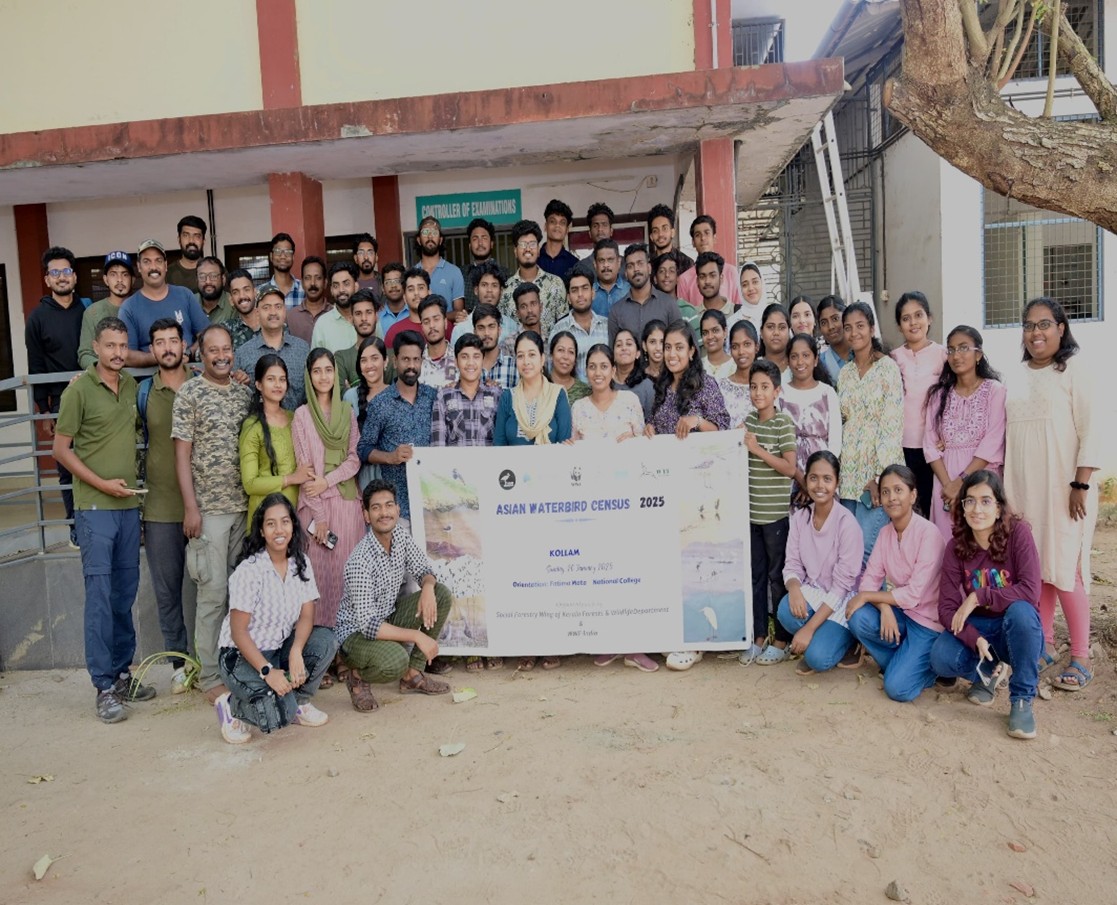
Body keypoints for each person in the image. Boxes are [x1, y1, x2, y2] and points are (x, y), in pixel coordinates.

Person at [53, 316, 154, 723]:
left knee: (123, 595)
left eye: (122, 346)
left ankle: (122, 674)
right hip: (94, 509)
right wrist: (102, 484)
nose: (117, 353)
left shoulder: (129, 385)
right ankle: (103, 686)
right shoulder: (78, 391)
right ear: (95, 348)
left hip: (128, 509)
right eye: (110, 345)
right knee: (99, 598)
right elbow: (61, 450)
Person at [1003, 297, 1098, 692]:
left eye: (1044, 324)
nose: (1035, 332)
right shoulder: (1017, 374)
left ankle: (1081, 656)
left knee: (1064, 569)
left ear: (1061, 328)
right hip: (1025, 489)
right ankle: (1044, 644)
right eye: (1029, 325)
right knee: (1036, 568)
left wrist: (1080, 483)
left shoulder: (1074, 369)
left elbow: (1092, 428)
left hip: (1064, 489)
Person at [213, 493, 338, 744]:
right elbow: (238, 632)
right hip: (241, 657)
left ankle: (298, 702)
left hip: (279, 649)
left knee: (326, 640)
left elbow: (307, 614)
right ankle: (231, 706)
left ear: (293, 525)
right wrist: (267, 671)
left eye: (285, 522)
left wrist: (296, 652)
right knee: (277, 716)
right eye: (271, 524)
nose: (279, 530)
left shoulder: (300, 562)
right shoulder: (250, 571)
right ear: (262, 530)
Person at [172, 323, 254, 702]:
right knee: (212, 594)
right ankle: (208, 676)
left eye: (226, 349)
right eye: (213, 350)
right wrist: (191, 507)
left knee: (240, 594)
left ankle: (234, 665)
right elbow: (182, 454)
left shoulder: (243, 392)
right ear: (200, 355)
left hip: (244, 508)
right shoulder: (189, 393)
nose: (221, 356)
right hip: (209, 512)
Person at [930, 471, 1044, 739]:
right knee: (940, 657)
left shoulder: (1018, 534)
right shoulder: (956, 547)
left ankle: (1022, 698)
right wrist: (975, 638)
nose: (976, 509)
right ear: (962, 507)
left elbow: (1030, 591)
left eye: (985, 501)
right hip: (981, 628)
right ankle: (989, 672)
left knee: (1022, 611)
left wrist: (978, 596)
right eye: (969, 501)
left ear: (999, 507)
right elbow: (947, 609)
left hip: (1015, 628)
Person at [335, 480, 454, 711]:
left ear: (397, 510)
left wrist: (427, 587)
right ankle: (357, 678)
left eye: (389, 505)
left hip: (387, 618)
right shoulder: (360, 560)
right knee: (395, 660)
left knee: (440, 594)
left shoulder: (399, 535)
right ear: (366, 515)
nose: (384, 513)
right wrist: (417, 636)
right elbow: (369, 625)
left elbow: (424, 569)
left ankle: (413, 674)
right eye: (376, 507)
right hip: (356, 636)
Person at [573, 344, 656, 672]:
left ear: (612, 370)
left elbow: (644, 445)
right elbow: (573, 455)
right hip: (593, 505)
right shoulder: (579, 408)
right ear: (586, 371)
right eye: (592, 366)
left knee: (631, 573)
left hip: (629, 501)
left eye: (603, 366)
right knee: (601, 574)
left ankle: (636, 646)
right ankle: (608, 641)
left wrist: (641, 437)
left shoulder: (630, 401)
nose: (597, 372)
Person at [846, 465, 946, 702]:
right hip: (902, 614)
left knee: (897, 689)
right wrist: (884, 607)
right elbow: (868, 582)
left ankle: (925, 670)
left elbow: (912, 595)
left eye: (898, 490)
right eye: (886, 492)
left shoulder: (928, 534)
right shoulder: (885, 533)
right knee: (856, 616)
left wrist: (868, 596)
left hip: (927, 623)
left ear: (913, 495)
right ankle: (903, 662)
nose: (892, 498)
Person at [139, 318, 194, 694]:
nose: (167, 348)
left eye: (173, 340)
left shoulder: (202, 384)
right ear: (152, 350)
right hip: (159, 507)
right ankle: (179, 663)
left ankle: (212, 660)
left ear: (183, 345)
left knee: (213, 588)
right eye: (159, 342)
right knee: (167, 591)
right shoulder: (142, 391)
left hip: (204, 505)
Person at [292, 348, 364, 636]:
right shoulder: (302, 416)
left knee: (348, 577)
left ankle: (349, 646)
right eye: (317, 371)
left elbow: (354, 459)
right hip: (315, 509)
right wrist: (320, 518)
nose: (323, 376)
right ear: (309, 376)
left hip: (346, 505)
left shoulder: (346, 412)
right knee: (319, 579)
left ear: (336, 373)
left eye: (328, 370)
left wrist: (328, 480)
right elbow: (305, 471)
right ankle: (321, 651)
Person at [775, 451, 864, 674]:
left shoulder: (847, 524)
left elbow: (842, 587)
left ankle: (850, 640)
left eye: (827, 479)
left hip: (842, 599)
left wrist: (808, 629)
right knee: (785, 610)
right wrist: (794, 589)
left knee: (817, 659)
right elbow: (792, 563)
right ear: (806, 480)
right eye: (813, 478)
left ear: (837, 483)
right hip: (816, 591)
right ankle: (823, 637)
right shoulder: (800, 518)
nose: (820, 485)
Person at [923, 325, 1006, 541]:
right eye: (951, 350)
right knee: (946, 544)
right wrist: (948, 486)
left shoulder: (995, 391)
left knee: (982, 542)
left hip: (982, 478)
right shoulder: (938, 396)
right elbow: (930, 445)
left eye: (963, 348)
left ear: (978, 354)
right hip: (945, 483)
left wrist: (961, 483)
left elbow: (993, 441)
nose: (956, 355)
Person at [26, 245, 85, 546]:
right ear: (47, 279)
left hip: (92, 396)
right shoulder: (37, 318)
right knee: (66, 468)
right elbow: (35, 365)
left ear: (74, 276)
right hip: (61, 403)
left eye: (66, 271)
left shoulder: (87, 311)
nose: (62, 277)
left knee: (95, 461)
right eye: (55, 272)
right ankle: (75, 525)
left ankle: (95, 522)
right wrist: (44, 409)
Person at [837, 301, 903, 564]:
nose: (854, 333)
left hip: (875, 475)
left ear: (872, 328)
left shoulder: (888, 368)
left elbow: (892, 425)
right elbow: (843, 421)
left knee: (868, 549)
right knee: (848, 550)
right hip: (848, 475)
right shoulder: (845, 374)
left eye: (860, 326)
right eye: (848, 328)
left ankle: (871, 596)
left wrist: (880, 478)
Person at [742, 360, 798, 666]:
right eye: (753, 387)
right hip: (751, 516)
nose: (758, 393)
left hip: (775, 517)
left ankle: (781, 640)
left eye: (765, 387)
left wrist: (758, 450)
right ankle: (758, 637)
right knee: (756, 578)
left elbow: (790, 468)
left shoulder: (782, 423)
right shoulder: (748, 421)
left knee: (777, 579)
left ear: (777, 391)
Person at [356, 331, 437, 529]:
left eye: (416, 360)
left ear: (422, 361)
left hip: (432, 506)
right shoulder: (380, 403)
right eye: (405, 359)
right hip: (397, 509)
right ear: (395, 361)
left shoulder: (434, 397)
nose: (411, 366)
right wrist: (391, 457)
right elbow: (363, 449)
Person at [240, 354, 314, 530]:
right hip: (266, 516)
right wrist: (291, 478)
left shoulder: (295, 418)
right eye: (271, 379)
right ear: (259, 384)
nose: (278, 385)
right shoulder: (252, 426)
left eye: (282, 379)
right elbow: (250, 484)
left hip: (295, 512)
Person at [890, 291, 947, 517]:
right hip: (901, 447)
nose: (913, 322)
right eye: (906, 318)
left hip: (933, 448)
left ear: (929, 318)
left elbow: (951, 398)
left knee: (932, 508)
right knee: (905, 509)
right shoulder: (892, 359)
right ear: (899, 326)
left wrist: (946, 435)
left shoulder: (943, 355)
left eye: (918, 315)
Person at [120, 239, 209, 366]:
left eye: (158, 261)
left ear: (166, 265)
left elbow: (206, 334)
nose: (153, 267)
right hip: (150, 376)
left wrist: (189, 353)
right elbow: (127, 355)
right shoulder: (129, 307)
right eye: (147, 261)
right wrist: (164, 356)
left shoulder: (185, 295)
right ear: (139, 267)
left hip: (189, 372)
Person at [644, 320, 729, 442]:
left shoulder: (705, 384)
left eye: (679, 347)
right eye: (668, 347)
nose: (672, 354)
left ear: (691, 351)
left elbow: (723, 430)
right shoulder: (663, 385)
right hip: (665, 453)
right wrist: (649, 427)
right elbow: (653, 420)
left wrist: (698, 421)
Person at [233, 286, 311, 410]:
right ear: (257, 313)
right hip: (259, 421)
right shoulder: (243, 353)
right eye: (266, 307)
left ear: (285, 311)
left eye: (278, 306)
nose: (273, 312)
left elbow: (311, 395)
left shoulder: (302, 349)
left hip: (298, 420)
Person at [781, 334, 842, 493]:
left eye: (806, 355)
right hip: (788, 477)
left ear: (815, 360)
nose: (800, 362)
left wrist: (814, 479)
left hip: (823, 477)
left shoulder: (827, 392)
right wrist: (799, 477)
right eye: (794, 356)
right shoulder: (779, 394)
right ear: (787, 361)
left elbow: (835, 442)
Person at [493, 330, 573, 448]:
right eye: (520, 356)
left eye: (532, 355)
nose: (526, 362)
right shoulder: (508, 397)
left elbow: (564, 445)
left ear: (542, 359)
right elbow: (499, 446)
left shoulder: (557, 395)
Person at [431, 333, 503, 448]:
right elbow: (438, 445)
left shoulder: (496, 394)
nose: (470, 363)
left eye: (476, 356)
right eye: (464, 357)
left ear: (483, 360)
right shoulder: (443, 396)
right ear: (456, 361)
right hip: (454, 460)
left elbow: (503, 443)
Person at [499, 219, 567, 338]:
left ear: (538, 250)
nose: (528, 249)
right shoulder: (505, 289)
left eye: (532, 244)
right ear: (515, 251)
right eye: (522, 244)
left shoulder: (556, 284)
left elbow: (564, 326)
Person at [343, 335, 389, 491]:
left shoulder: (396, 395)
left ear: (385, 361)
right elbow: (346, 445)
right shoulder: (350, 397)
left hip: (391, 476)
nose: (369, 365)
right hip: (359, 478)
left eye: (374, 358)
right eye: (364, 360)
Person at [608, 243, 678, 344]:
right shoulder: (616, 311)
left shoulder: (669, 304)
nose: (636, 269)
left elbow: (677, 343)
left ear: (649, 268)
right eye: (630, 266)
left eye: (640, 263)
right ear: (626, 273)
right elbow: (614, 349)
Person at [78, 252, 134, 369]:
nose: (119, 280)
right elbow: (85, 354)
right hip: (103, 378)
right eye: (113, 274)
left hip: (139, 377)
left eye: (125, 274)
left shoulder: (140, 307)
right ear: (105, 279)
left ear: (132, 279)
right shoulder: (93, 312)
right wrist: (105, 370)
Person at [552, 267, 609, 379]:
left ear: (593, 293)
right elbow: (553, 371)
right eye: (574, 290)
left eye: (585, 288)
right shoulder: (559, 330)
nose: (580, 294)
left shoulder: (607, 326)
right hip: (572, 390)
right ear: (568, 298)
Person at [676, 216, 743, 309]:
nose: (703, 238)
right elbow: (684, 314)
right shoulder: (684, 279)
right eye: (698, 235)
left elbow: (739, 309)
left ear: (714, 238)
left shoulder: (731, 272)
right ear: (693, 242)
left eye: (707, 233)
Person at [415, 215, 465, 314]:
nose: (430, 236)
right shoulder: (412, 274)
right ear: (419, 240)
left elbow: (459, 314)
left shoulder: (454, 272)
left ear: (440, 240)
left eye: (434, 232)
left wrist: (435, 318)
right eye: (425, 232)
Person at [333, 289, 379, 392]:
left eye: (369, 312)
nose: (364, 318)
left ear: (376, 316)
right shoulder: (341, 358)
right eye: (358, 313)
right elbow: (341, 396)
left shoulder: (389, 355)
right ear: (351, 318)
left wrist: (352, 392)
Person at [718, 320, 759, 429]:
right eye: (735, 346)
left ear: (756, 347)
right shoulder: (720, 387)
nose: (741, 352)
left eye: (747, 344)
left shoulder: (767, 386)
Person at [311, 262, 359, 352]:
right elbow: (316, 360)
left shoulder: (369, 318)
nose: (341, 290)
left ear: (356, 286)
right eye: (336, 286)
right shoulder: (322, 324)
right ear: (331, 290)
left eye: (346, 284)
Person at [382, 266, 432, 352]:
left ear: (429, 292)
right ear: (404, 297)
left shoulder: (443, 326)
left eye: (420, 288)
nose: (416, 293)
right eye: (411, 289)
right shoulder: (394, 332)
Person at [472, 303, 518, 390]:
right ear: (474, 332)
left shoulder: (514, 366)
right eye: (481, 328)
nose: (486, 333)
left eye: (491, 327)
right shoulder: (468, 367)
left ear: (499, 330)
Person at [286, 256, 331, 344]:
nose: (312, 283)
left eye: (318, 278)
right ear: (302, 283)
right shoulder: (290, 317)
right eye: (307, 278)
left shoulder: (335, 313)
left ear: (325, 283)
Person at [613, 328, 655, 421]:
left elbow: (652, 424)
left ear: (638, 353)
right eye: (619, 345)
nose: (624, 348)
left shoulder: (647, 386)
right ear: (613, 355)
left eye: (629, 344)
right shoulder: (606, 384)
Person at [417, 296, 459, 389]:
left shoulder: (459, 359)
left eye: (436, 319)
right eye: (426, 322)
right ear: (422, 327)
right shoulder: (416, 363)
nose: (432, 325)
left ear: (445, 322)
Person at [538, 199, 581, 278]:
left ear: (567, 230)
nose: (557, 225)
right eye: (552, 221)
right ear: (545, 226)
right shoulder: (535, 259)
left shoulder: (575, 264)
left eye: (562, 223)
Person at [647, 203, 694, 273]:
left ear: (672, 232)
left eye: (665, 228)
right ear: (651, 237)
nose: (660, 234)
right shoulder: (648, 266)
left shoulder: (687, 263)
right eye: (655, 231)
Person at [262, 232, 304, 309]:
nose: (283, 256)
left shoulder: (304, 289)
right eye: (278, 251)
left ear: (293, 257)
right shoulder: (261, 292)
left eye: (288, 252)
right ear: (271, 256)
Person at [548, 330, 590, 405]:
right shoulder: (540, 386)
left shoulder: (585, 392)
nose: (566, 357)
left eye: (571, 352)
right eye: (561, 350)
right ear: (551, 355)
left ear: (575, 359)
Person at [166, 215, 207, 292]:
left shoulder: (216, 271)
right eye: (186, 235)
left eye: (197, 236)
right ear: (179, 239)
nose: (191, 241)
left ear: (203, 241)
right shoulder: (166, 274)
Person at [589, 238, 629, 316]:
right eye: (601, 260)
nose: (606, 265)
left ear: (619, 262)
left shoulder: (630, 291)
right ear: (595, 264)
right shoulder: (588, 293)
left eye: (610, 260)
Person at [223, 269, 261, 350]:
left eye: (246, 290)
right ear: (231, 300)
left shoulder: (273, 323)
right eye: (236, 292)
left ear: (255, 293)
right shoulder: (225, 330)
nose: (242, 296)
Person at [817, 295, 851, 383]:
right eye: (824, 323)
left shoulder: (862, 355)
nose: (830, 327)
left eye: (835, 319)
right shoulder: (819, 364)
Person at [376, 262, 410, 337]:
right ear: (382, 288)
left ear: (405, 285)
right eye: (388, 282)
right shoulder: (377, 317)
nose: (393, 286)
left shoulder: (413, 313)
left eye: (397, 281)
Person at [195, 256, 233, 324]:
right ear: (197, 280)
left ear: (223, 279)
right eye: (202, 277)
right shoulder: (189, 302)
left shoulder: (233, 303)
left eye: (213, 276)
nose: (208, 282)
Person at [758, 303, 792, 379]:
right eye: (770, 327)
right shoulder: (753, 367)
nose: (776, 333)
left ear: (789, 332)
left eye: (782, 327)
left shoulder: (797, 366)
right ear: (761, 332)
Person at [699, 309, 734, 379]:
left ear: (725, 332)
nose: (710, 337)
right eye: (705, 333)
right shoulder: (697, 367)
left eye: (715, 330)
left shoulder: (736, 366)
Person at [735, 261, 765, 329]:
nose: (751, 288)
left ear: (762, 283)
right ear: (740, 289)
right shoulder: (733, 322)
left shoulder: (773, 316)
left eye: (755, 282)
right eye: (745, 285)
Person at [352, 232, 382, 298]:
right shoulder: (350, 284)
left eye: (370, 252)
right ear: (355, 258)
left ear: (376, 257)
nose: (366, 257)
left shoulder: (384, 282)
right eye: (361, 253)